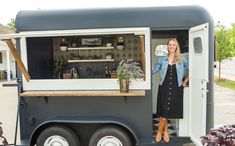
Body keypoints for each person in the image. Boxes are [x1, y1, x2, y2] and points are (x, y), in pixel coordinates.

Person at [152, 38, 189, 143]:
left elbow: (193, 69)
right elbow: (154, 70)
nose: (171, 46)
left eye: (173, 45)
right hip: (164, 86)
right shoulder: (162, 59)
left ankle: (161, 131)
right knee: (164, 109)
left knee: (168, 110)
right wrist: (143, 71)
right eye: (169, 45)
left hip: (176, 88)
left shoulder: (182, 59)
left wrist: (185, 81)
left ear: (176, 46)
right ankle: (163, 132)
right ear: (167, 47)